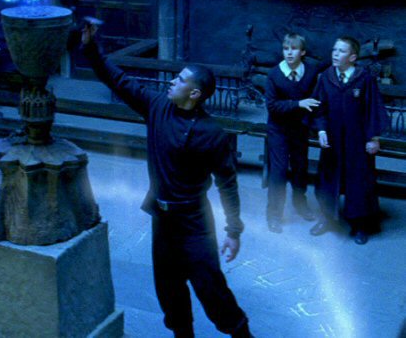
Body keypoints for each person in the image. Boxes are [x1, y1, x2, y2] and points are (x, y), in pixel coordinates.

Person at [81, 18, 252, 338]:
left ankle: (243, 335)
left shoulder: (212, 134)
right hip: (163, 221)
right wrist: (92, 48)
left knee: (211, 289)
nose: (172, 81)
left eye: (180, 79)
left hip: (195, 223)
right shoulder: (157, 106)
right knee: (169, 290)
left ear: (195, 93)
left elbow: (227, 183)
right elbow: (118, 80)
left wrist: (233, 230)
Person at [310, 36, 389, 245]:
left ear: (353, 57)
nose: (335, 54)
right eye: (334, 50)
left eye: (341, 51)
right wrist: (321, 130)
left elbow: (373, 109)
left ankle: (360, 224)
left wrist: (373, 138)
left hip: (358, 139)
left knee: (359, 180)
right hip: (333, 139)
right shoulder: (326, 78)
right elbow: (319, 108)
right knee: (327, 178)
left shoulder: (364, 79)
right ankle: (327, 218)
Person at [264, 33, 321, 233]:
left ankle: (300, 203)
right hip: (278, 130)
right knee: (278, 172)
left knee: (300, 168)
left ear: (302, 52)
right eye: (286, 49)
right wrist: (297, 104)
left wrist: (313, 124)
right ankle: (274, 214)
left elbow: (314, 100)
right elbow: (272, 106)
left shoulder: (311, 72)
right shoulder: (274, 75)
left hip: (300, 129)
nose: (289, 53)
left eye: (294, 49)